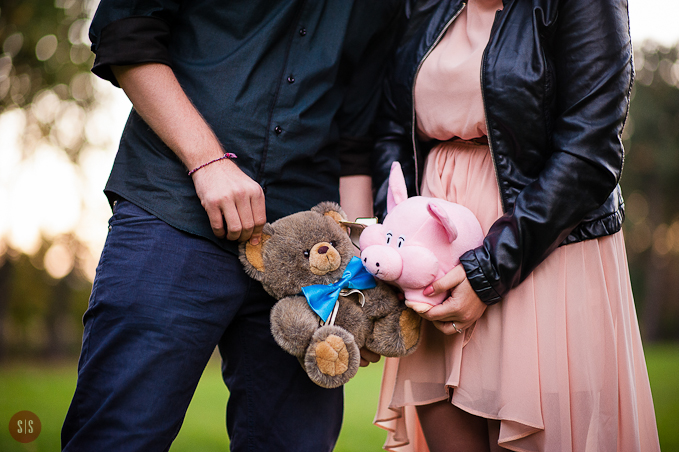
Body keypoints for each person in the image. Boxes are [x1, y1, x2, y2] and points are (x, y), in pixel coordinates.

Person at [61, 1, 403, 451]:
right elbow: (127, 34)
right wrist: (207, 161)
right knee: (120, 436)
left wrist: (354, 279)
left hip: (306, 261)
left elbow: (355, 143)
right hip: (172, 215)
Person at [369, 0, 661, 451]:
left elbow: (591, 147)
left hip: (541, 242)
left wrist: (490, 269)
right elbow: (391, 126)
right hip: (434, 262)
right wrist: (398, 241)